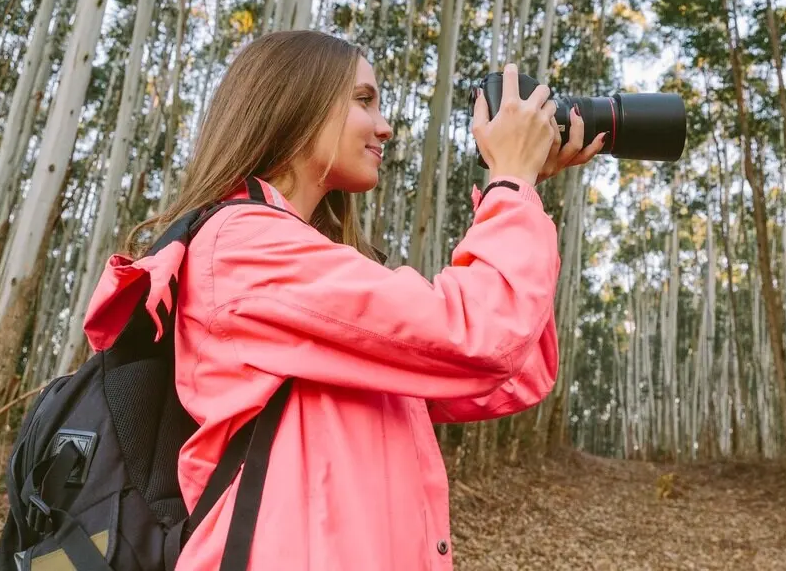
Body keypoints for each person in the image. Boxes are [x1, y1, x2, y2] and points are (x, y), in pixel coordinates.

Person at [107, 30, 604, 570]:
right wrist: (510, 186)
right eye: (364, 100)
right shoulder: (245, 244)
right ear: (295, 102)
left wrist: (524, 194)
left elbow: (516, 370)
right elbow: (481, 337)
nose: (385, 126)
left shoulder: (305, 263)